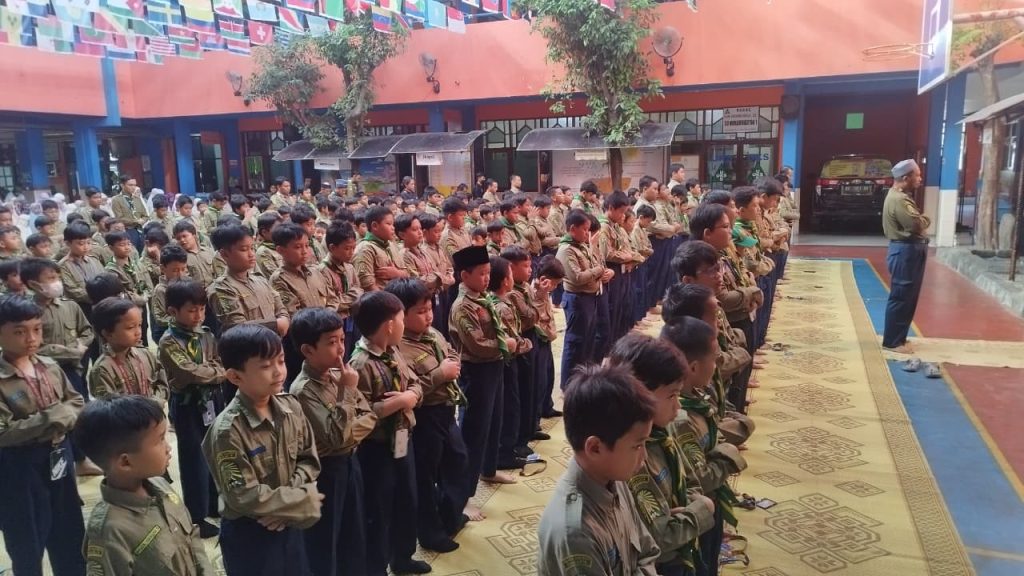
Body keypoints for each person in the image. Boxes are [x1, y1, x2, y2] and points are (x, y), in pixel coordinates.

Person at [201, 324, 323, 576]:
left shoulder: (290, 407)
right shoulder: (228, 430)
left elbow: (308, 460)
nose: (278, 372)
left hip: (288, 525)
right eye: (265, 366)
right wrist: (300, 499)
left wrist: (286, 506)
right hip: (251, 533)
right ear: (235, 377)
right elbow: (243, 495)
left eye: (280, 361)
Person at [537, 364, 661, 576]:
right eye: (637, 446)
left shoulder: (614, 480)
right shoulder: (575, 533)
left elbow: (647, 550)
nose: (644, 456)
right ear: (595, 448)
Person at [608, 334, 715, 576]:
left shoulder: (662, 433)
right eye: (671, 395)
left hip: (682, 546)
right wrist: (702, 508)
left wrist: (686, 508)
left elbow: (690, 479)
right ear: (640, 393)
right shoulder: (631, 457)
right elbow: (660, 536)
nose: (678, 406)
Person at [76, 395, 217, 575]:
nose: (168, 447)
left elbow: (191, 539)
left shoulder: (160, 486)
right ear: (125, 463)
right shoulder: (110, 531)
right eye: (159, 440)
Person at [0, 295, 87, 576]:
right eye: (19, 331)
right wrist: (51, 417)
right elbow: (5, 432)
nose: (31, 338)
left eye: (36, 329)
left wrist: (64, 416)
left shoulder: (48, 365)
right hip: (20, 466)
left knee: (69, 529)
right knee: (27, 536)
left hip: (59, 455)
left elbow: (75, 401)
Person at [290, 307, 376, 576]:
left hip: (350, 462)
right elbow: (336, 439)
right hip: (326, 471)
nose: (341, 348)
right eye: (331, 342)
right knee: (327, 538)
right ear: (307, 350)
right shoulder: (304, 390)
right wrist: (347, 391)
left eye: (342, 339)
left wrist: (348, 422)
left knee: (354, 530)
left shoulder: (338, 374)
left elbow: (370, 416)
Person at [348, 291, 429, 576]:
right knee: (379, 510)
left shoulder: (393, 351)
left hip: (403, 440)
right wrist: (396, 402)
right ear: (389, 325)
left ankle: (403, 556)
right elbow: (358, 412)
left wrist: (410, 396)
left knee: (407, 500)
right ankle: (376, 566)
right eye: (401, 319)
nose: (405, 324)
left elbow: (416, 383)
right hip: (376, 449)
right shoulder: (359, 364)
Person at [660, 319, 747, 576]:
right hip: (688, 525)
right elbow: (700, 476)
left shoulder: (697, 397)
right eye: (715, 358)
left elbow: (716, 438)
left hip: (702, 508)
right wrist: (729, 456)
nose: (718, 362)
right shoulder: (681, 419)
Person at [386, 278, 468, 553]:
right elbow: (405, 389)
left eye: (429, 308)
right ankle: (431, 532)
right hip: (425, 417)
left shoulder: (432, 333)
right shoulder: (398, 348)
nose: (428, 315)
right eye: (420, 311)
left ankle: (450, 516)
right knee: (424, 476)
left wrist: (453, 363)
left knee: (457, 462)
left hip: (446, 410)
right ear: (400, 315)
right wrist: (439, 374)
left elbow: (449, 352)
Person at [448, 245, 517, 518]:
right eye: (482, 274)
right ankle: (463, 496)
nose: (487, 278)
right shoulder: (463, 306)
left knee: (494, 422)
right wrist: (505, 346)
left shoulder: (483, 298)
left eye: (489, 273)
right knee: (473, 433)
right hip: (477, 372)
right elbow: (476, 344)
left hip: (494, 367)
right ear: (465, 275)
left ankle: (488, 470)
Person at [158, 279, 228, 539]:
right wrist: (219, 374)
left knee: (214, 450)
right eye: (191, 310)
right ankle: (196, 514)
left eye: (201, 309)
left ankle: (213, 502)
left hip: (212, 399)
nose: (198, 315)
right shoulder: (169, 341)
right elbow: (188, 372)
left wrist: (215, 372)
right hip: (187, 404)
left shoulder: (206, 333)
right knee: (193, 459)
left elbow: (220, 361)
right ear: (173, 312)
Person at [489, 255, 534, 470]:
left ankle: (508, 448)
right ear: (505, 280)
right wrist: (525, 345)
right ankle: (504, 453)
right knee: (510, 407)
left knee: (511, 405)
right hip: (508, 361)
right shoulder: (502, 307)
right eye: (509, 274)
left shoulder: (501, 301)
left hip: (509, 359)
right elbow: (512, 340)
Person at [556, 209, 608, 389]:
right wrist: (598, 271)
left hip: (590, 297)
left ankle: (582, 380)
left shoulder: (583, 245)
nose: (588, 233)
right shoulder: (566, 249)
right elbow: (577, 278)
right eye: (585, 230)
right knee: (575, 343)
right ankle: (568, 384)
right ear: (572, 229)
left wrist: (600, 271)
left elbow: (598, 264)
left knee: (588, 340)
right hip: (577, 299)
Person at [882, 159, 930, 353]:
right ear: (905, 178)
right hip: (905, 252)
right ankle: (892, 342)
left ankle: (900, 338)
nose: (920, 178)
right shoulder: (899, 200)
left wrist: (921, 219)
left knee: (909, 296)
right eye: (917, 175)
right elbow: (917, 225)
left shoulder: (900, 197)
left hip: (909, 250)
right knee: (901, 296)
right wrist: (926, 218)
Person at [87, 296, 169, 402]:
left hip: (154, 414)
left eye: (139, 325)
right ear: (107, 333)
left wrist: (156, 402)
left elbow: (161, 383)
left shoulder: (145, 354)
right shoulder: (102, 369)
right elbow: (110, 408)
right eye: (130, 327)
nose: (138, 332)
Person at [321, 221, 364, 357]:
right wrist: (352, 296)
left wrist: (345, 298)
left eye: (353, 248)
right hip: (336, 321)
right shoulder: (322, 271)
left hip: (352, 318)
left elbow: (360, 290)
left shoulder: (349, 267)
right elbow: (331, 304)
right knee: (339, 356)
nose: (351, 252)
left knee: (353, 351)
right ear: (332, 248)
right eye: (347, 248)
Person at [532, 255, 564, 420]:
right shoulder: (534, 292)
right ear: (544, 279)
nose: (556, 287)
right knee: (539, 380)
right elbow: (534, 316)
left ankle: (547, 406)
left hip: (547, 338)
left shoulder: (545, 291)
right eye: (556, 284)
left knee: (549, 375)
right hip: (538, 339)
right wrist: (541, 294)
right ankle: (535, 418)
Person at [353, 205, 408, 292]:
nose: (393, 228)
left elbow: (406, 273)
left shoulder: (391, 244)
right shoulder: (365, 249)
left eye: (393, 224)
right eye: (388, 224)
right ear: (375, 226)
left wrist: (396, 273)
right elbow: (368, 286)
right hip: (382, 301)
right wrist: (387, 302)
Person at [151, 244, 190, 343]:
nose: (180, 274)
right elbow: (160, 318)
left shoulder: (187, 283)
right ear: (163, 268)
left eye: (183, 269)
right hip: (167, 333)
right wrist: (182, 319)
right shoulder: (161, 290)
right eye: (175, 270)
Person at [110, 175, 147, 253]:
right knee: (131, 253)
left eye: (135, 185)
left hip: (140, 230)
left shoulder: (137, 199)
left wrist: (143, 220)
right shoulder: (116, 200)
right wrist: (135, 221)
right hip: (128, 230)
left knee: (143, 252)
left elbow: (145, 215)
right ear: (122, 185)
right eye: (130, 185)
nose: (133, 187)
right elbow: (119, 218)